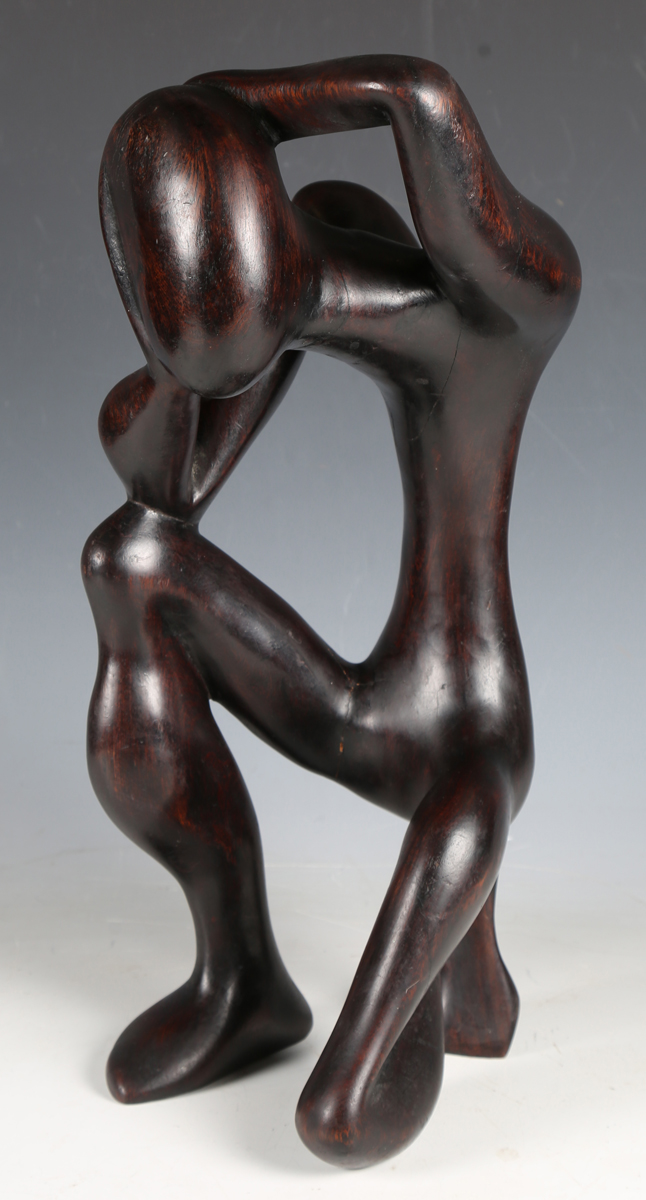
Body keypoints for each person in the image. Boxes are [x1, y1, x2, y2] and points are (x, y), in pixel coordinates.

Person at [83, 56, 580, 1168]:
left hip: (474, 739)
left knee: (341, 1119)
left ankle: (465, 986)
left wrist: (250, 107)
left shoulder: (524, 297)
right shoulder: (327, 270)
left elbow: (420, 96)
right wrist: (181, 358)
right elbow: (168, 488)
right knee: (129, 561)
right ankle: (240, 981)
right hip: (362, 709)